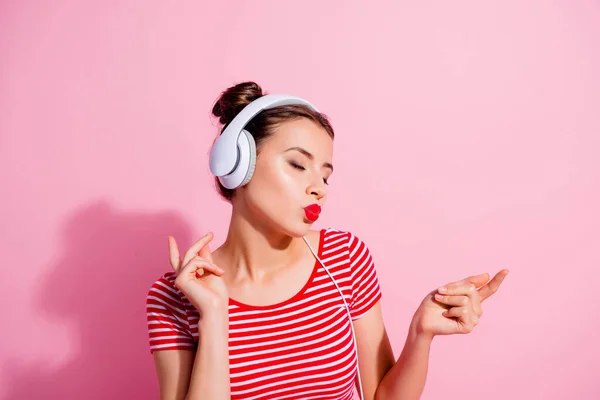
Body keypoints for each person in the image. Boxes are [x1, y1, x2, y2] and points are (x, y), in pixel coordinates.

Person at [146, 81, 509, 400]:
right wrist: (213, 316)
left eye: (326, 175)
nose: (318, 188)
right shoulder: (176, 297)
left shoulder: (344, 257)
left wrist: (420, 333)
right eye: (298, 165)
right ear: (239, 163)